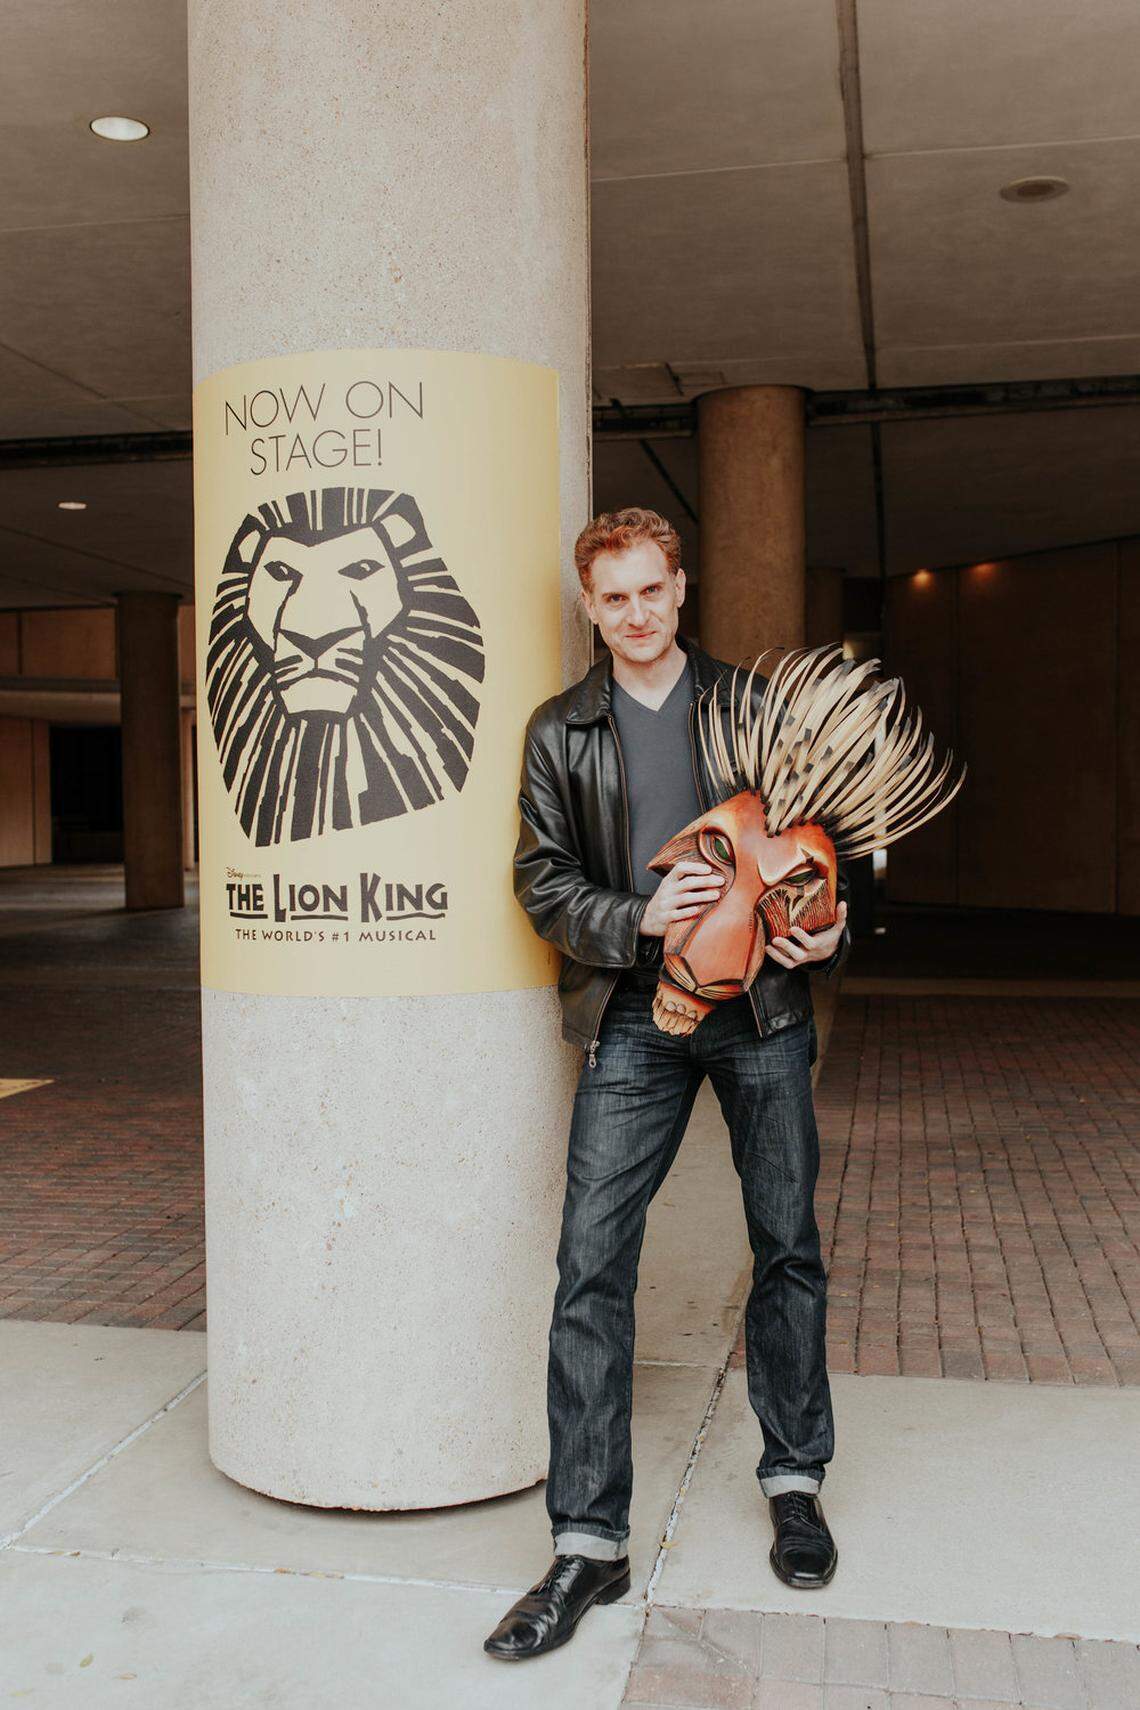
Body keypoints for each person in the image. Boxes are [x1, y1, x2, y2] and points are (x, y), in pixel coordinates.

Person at [483, 507, 849, 1663]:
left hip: (761, 1015)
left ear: (680, 589)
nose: (636, 614)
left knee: (785, 1242)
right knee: (591, 1261)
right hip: (634, 1018)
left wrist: (830, 933)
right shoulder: (561, 731)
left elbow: (826, 843)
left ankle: (794, 1480)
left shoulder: (751, 709)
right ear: (590, 608)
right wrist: (629, 915)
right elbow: (539, 877)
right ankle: (588, 1544)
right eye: (614, 598)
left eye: (652, 590)